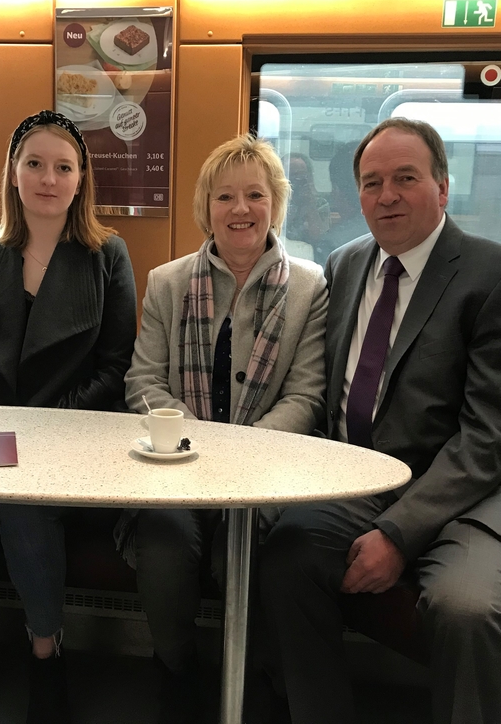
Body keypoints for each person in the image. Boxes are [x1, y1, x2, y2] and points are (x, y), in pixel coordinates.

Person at [259, 117, 501, 724]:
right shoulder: (344, 266)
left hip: (479, 491)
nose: (386, 195)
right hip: (365, 481)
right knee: (284, 554)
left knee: (464, 611)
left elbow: (492, 436)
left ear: (442, 188)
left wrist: (399, 534)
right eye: (371, 182)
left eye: (405, 178)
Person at [0, 110, 137, 724]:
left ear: (81, 180)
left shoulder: (107, 255)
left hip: (68, 438)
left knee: (24, 507)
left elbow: (114, 370)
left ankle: (46, 652)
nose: (49, 178)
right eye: (35, 164)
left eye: (63, 167)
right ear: (13, 176)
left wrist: (38, 433)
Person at [122, 133, 328, 723]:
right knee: (162, 544)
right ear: (205, 208)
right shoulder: (166, 282)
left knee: (244, 558)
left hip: (264, 471)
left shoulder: (311, 287)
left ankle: (254, 681)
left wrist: (239, 455)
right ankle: (176, 670)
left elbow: (307, 394)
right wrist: (197, 444)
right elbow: (143, 382)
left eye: (255, 195)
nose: (240, 209)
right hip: (177, 466)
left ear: (275, 205)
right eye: (225, 197)